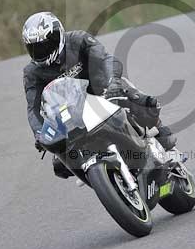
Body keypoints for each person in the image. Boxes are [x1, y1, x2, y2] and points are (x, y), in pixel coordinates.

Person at [21, 11, 176, 179]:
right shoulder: (32, 73)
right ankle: (102, 177)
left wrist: (113, 83)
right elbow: (33, 108)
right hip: (71, 115)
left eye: (44, 45)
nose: (40, 51)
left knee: (139, 101)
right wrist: (39, 133)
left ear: (58, 35)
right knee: (60, 163)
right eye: (34, 48)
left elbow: (106, 59)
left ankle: (161, 136)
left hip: (102, 92)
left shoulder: (78, 40)